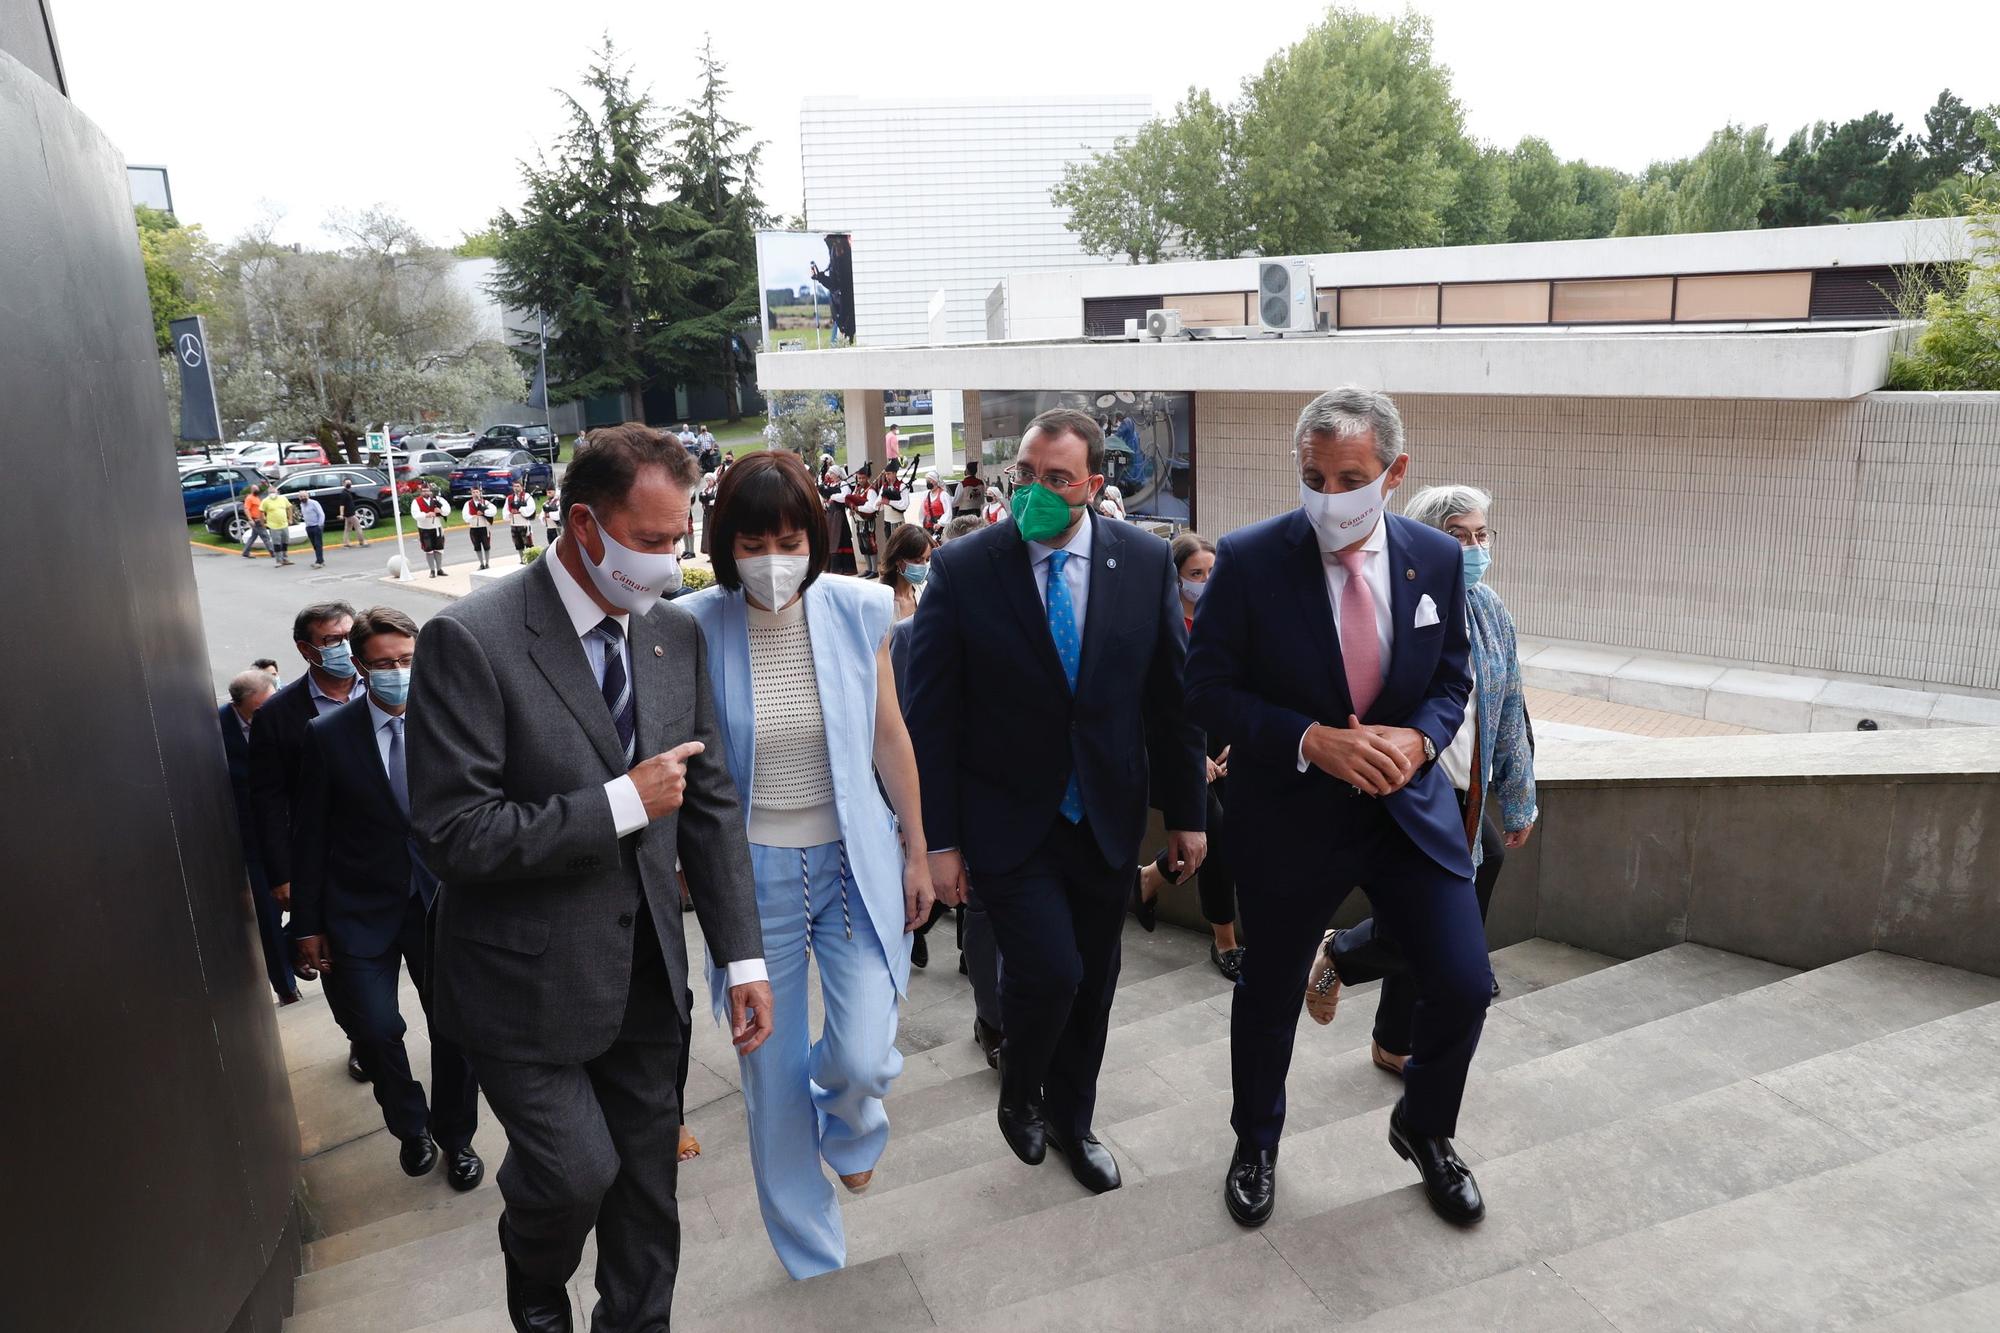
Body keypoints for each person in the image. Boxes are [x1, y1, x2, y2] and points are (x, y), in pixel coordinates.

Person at [406, 423, 770, 1332]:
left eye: (678, 537)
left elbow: (711, 802)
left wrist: (744, 959)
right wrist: (616, 804)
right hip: (522, 985)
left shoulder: (672, 635)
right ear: (581, 524)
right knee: (574, 1174)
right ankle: (535, 1281)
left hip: (647, 974)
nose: (669, 560)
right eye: (651, 542)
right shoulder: (471, 640)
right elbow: (453, 833)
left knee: (648, 1192)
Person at [1185, 386, 1490, 1231]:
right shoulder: (1249, 559)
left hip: (1406, 812)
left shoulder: (1436, 556)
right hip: (1289, 817)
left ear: (1393, 471)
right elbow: (1203, 687)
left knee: (1465, 982)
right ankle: (1255, 1142)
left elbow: (1452, 677)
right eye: (1313, 475)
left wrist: (1423, 742)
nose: (1329, 494)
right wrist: (1307, 737)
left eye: (1349, 475)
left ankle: (1424, 1126)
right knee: (1269, 989)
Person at [906, 407, 1207, 1197]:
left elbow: (1172, 705)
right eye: (1024, 475)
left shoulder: (1143, 564)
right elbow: (930, 718)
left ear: (1094, 485)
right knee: (1051, 971)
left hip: (1105, 816)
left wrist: (1186, 816)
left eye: (1055, 478)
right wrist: (937, 842)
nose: (1033, 490)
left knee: (1096, 983)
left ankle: (1075, 1121)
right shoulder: (967, 568)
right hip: (1007, 821)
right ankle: (1020, 1084)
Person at [680, 450, 932, 1278]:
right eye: (751, 542)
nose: (773, 557)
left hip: (852, 863)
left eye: (789, 537)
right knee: (769, 1073)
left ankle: (852, 1122)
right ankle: (813, 1257)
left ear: (815, 535)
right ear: (726, 544)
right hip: (751, 881)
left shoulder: (861, 609)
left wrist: (918, 847)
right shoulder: (691, 625)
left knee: (862, 1051)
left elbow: (890, 737)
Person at [1313, 485, 1537, 1053]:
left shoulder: (1488, 609)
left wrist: (1517, 797)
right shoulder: (1399, 601)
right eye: (1459, 535)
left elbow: (1508, 709)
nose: (1474, 547)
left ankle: (1397, 1026)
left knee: (1470, 884)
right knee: (1429, 916)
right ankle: (1350, 958)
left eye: (1482, 534)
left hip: (1467, 791)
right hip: (1408, 788)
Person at [290, 608, 484, 1193]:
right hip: (358, 911)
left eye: (406, 660)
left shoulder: (450, 721)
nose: (397, 671)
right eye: (383, 664)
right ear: (360, 666)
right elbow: (310, 836)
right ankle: (410, 1126)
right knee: (374, 1028)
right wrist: (306, 923)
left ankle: (457, 1138)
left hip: (440, 903)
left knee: (455, 1030)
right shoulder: (326, 735)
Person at [249, 600, 370, 1084]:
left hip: (394, 854)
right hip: (328, 866)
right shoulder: (279, 715)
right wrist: (281, 875)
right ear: (305, 649)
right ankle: (363, 1039)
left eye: (351, 635)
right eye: (331, 640)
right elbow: (267, 801)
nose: (345, 647)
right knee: (346, 970)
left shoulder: (388, 686)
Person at [1130, 532, 1242, 979]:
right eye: (1196, 574)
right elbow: (1152, 705)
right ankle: (1225, 940)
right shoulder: (1157, 625)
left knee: (1236, 827)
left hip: (1221, 745)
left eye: (1213, 572)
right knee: (1211, 829)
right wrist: (1192, 757)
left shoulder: (1228, 623)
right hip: (1171, 751)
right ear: (1174, 580)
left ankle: (1148, 879)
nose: (1206, 581)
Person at [220, 669, 296, 1005]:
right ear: (238, 707)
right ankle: (285, 985)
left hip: (290, 827)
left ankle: (298, 949)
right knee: (266, 914)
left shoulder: (284, 713)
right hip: (250, 838)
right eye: (257, 710)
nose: (266, 714)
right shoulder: (216, 728)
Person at [879, 524, 931, 623]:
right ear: (898, 560)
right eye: (918, 560)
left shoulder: (924, 591)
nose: (924, 566)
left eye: (927, 559)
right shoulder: (881, 600)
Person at [413, 484, 449, 578]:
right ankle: (432, 570)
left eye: (427, 490)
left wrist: (440, 510)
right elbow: (415, 514)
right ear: (421, 492)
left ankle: (439, 569)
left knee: (439, 548)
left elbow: (447, 510)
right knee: (428, 550)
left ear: (431, 491)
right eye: (424, 491)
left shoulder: (437, 499)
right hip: (424, 528)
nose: (426, 492)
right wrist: (425, 514)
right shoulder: (416, 501)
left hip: (437, 527)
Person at [463, 486, 497, 571]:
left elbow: (493, 511)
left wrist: (484, 512)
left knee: (486, 546)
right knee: (477, 546)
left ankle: (487, 563)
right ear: (471, 493)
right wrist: (474, 516)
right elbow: (465, 516)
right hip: (474, 528)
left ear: (480, 493)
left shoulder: (485, 502)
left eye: (477, 492)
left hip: (484, 527)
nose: (475, 494)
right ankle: (481, 563)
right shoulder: (468, 504)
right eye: (473, 492)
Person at [504, 480, 537, 563]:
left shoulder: (526, 496)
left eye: (518, 486)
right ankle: (522, 560)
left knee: (528, 543)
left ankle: (531, 560)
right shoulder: (509, 498)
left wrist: (521, 509)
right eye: (514, 486)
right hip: (514, 524)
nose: (516, 488)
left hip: (524, 523)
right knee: (518, 543)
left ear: (522, 487)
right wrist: (509, 514)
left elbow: (531, 508)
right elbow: (505, 510)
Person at [240, 484, 275, 560]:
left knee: (253, 537)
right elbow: (246, 509)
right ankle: (273, 552)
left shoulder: (256, 498)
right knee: (265, 536)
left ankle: (245, 552)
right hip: (255, 520)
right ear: (252, 490)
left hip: (259, 519)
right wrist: (250, 519)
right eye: (255, 489)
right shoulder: (249, 498)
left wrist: (264, 518)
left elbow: (260, 509)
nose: (257, 490)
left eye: (257, 489)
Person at [337, 477, 367, 548]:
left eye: (349, 483)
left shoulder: (347, 492)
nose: (349, 484)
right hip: (350, 514)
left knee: (347, 529)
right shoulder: (344, 494)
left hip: (349, 514)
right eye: (347, 483)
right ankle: (362, 541)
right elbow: (342, 505)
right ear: (343, 484)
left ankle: (346, 543)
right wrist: (341, 514)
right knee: (358, 527)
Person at [697, 468, 720, 556]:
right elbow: (702, 498)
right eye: (706, 480)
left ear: (713, 480)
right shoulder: (705, 489)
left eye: (709, 480)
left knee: (713, 532)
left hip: (713, 512)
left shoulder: (716, 490)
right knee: (707, 532)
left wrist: (707, 500)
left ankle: (715, 553)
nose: (708, 482)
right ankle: (709, 552)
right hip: (706, 513)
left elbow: (716, 500)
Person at [920, 469, 948, 541]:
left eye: (930, 480)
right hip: (927, 529)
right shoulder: (925, 495)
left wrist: (940, 523)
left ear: (935, 481)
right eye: (927, 480)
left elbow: (948, 512)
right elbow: (922, 511)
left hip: (939, 529)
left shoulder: (943, 495)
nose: (928, 482)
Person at [300, 493, 328, 567]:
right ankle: (320, 560)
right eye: (301, 497)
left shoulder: (314, 503)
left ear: (308, 496)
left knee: (318, 544)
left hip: (316, 526)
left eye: (304, 496)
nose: (303, 498)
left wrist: (320, 525)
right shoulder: (302, 504)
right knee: (314, 545)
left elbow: (321, 514)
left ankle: (319, 561)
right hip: (309, 527)